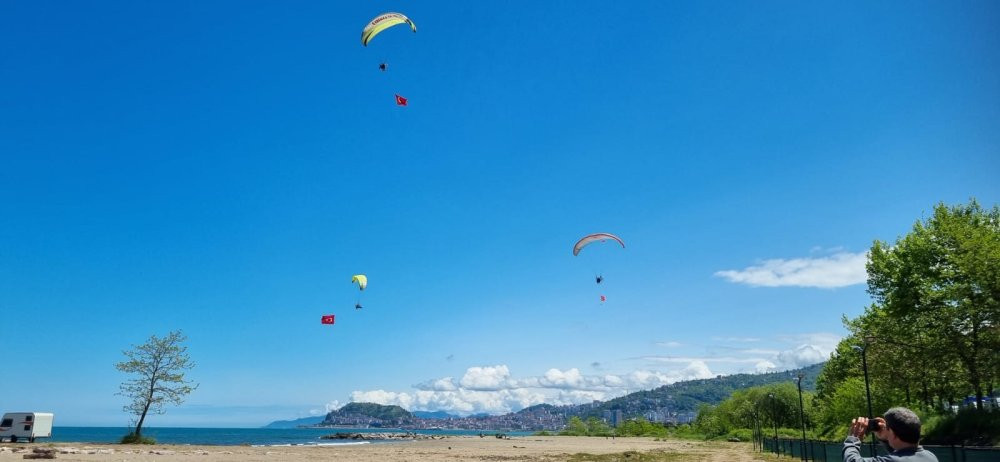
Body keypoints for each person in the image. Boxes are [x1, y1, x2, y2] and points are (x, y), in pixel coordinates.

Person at [843, 407, 938, 462]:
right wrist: (885, 439)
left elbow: (852, 460)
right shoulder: (930, 456)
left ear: (893, 433)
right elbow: (901, 454)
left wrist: (853, 439)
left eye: (887, 428)